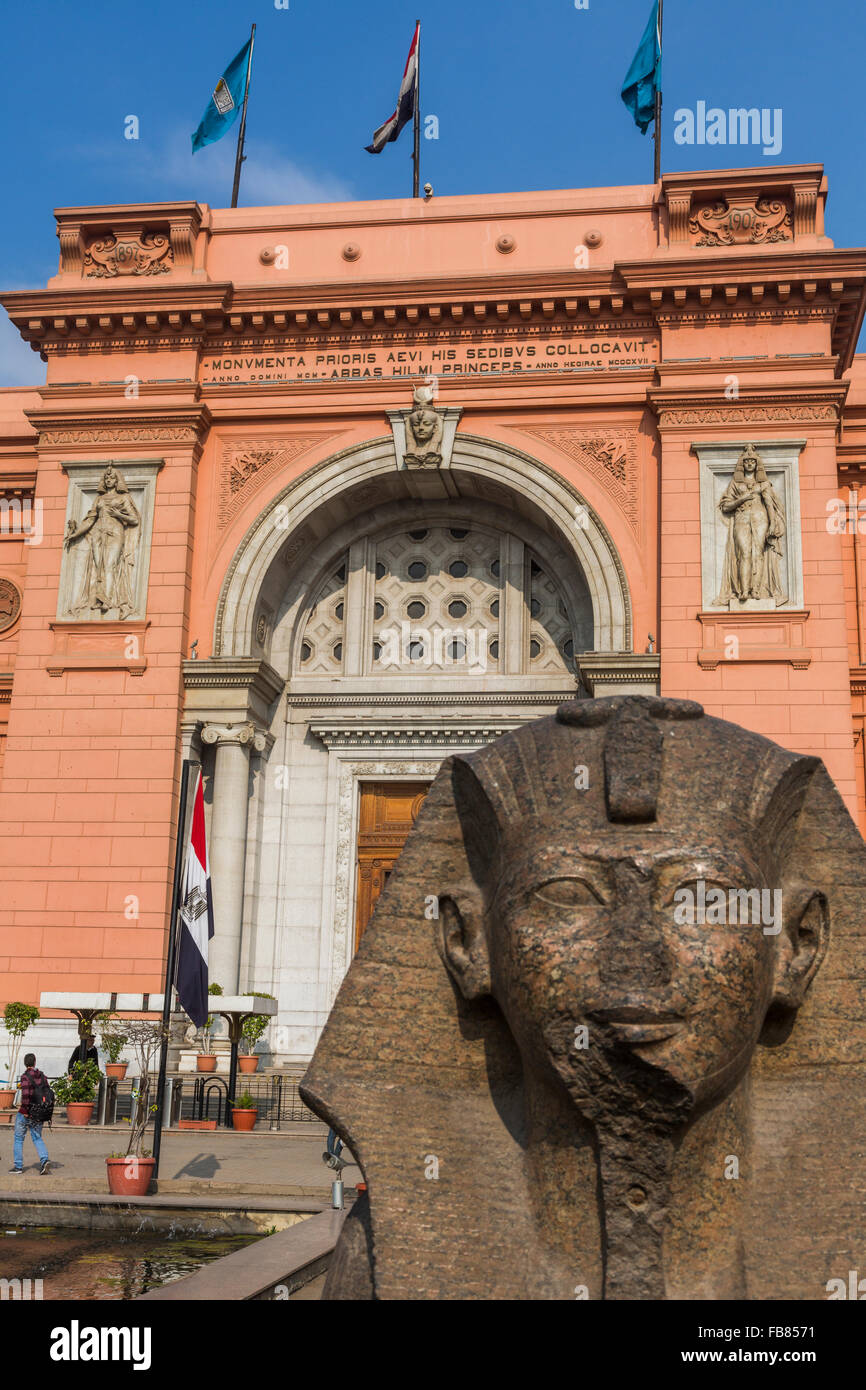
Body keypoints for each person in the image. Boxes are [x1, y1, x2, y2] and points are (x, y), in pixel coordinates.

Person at [9, 1052, 50, 1175]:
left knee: (18, 1139)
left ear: (25, 1063)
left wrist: (25, 1110)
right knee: (37, 1137)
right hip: (39, 1112)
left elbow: (26, 1095)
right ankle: (44, 1160)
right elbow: (47, 1093)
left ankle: (18, 1166)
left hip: (26, 1112)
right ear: (35, 1062)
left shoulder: (25, 1076)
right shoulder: (43, 1076)